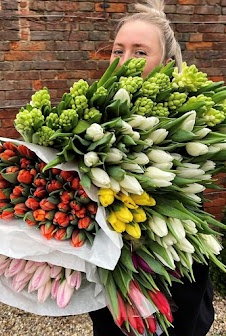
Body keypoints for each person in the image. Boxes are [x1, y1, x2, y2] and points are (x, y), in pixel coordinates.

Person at [89, 1, 215, 335]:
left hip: (175, 280)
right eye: (118, 50)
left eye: (140, 52)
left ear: (167, 63)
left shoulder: (189, 122)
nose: (125, 61)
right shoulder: (93, 118)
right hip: (111, 281)